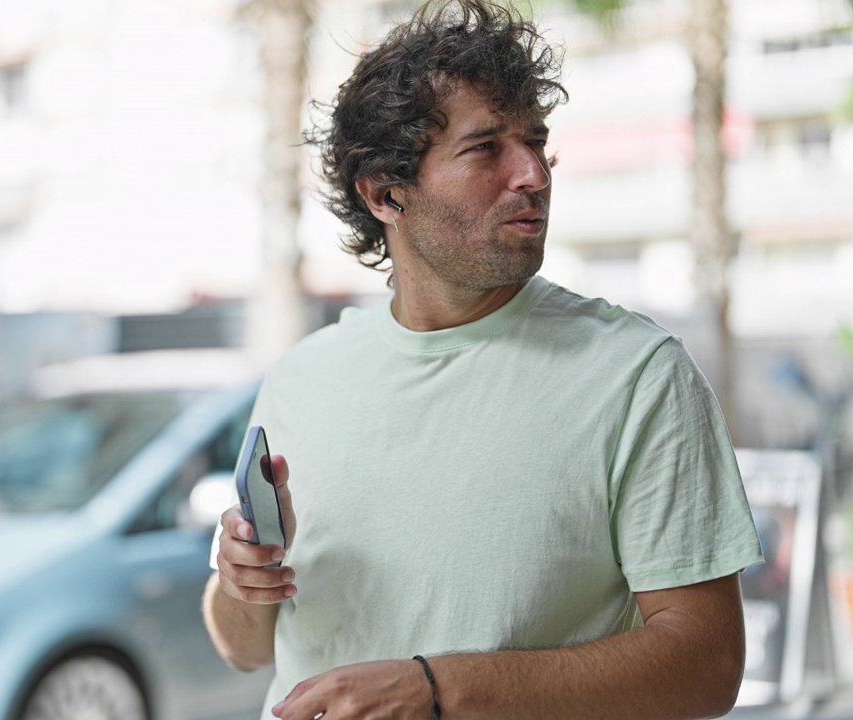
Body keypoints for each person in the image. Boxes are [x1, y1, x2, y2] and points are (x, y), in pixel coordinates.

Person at [201, 1, 765, 719]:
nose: (532, 172)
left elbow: (707, 665)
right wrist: (239, 580)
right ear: (385, 193)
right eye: (485, 148)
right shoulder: (302, 378)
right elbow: (243, 647)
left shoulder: (637, 375)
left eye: (536, 141)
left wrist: (441, 690)